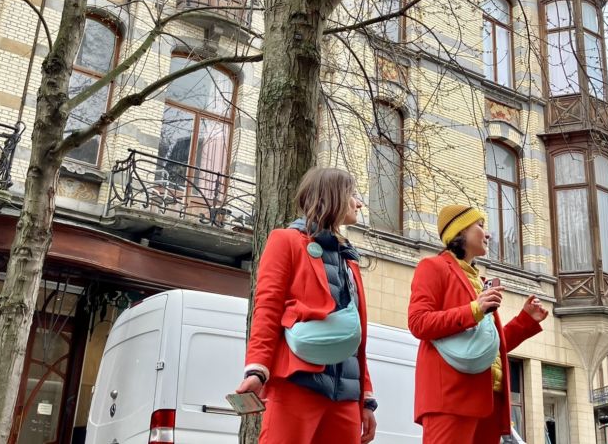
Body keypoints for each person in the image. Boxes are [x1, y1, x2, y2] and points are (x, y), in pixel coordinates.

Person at [235, 167, 377, 444]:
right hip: (297, 382)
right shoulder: (286, 240)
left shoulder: (349, 260)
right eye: (352, 194)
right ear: (333, 197)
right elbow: (267, 307)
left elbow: (355, 335)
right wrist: (257, 369)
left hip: (345, 397)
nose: (358, 203)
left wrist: (366, 398)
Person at [408, 204, 549, 444]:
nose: (488, 234)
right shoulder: (433, 267)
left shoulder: (479, 281)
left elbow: (486, 344)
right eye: (481, 225)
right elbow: (418, 322)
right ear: (460, 231)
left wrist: (525, 321)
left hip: (488, 400)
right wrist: (475, 309)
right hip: (451, 399)